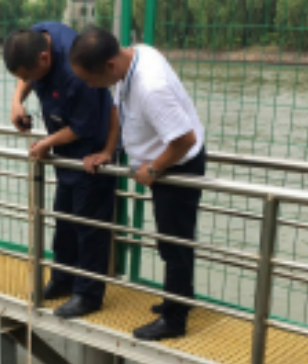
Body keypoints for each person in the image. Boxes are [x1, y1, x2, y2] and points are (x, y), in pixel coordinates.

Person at [69, 26, 206, 341]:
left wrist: (154, 169)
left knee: (175, 243)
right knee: (170, 241)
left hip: (177, 165)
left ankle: (175, 319)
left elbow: (184, 139)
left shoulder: (150, 86)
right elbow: (118, 109)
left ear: (109, 66)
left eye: (90, 80)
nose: (89, 86)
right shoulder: (133, 57)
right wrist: (108, 150)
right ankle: (180, 297)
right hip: (164, 161)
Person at [3, 23, 120, 319]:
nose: (28, 81)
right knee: (64, 218)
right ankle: (63, 279)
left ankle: (88, 294)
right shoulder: (35, 38)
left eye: (31, 76)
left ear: (45, 58)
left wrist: (46, 143)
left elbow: (84, 126)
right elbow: (25, 75)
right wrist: (17, 101)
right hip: (64, 150)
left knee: (89, 225)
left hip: (91, 151)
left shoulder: (76, 73)